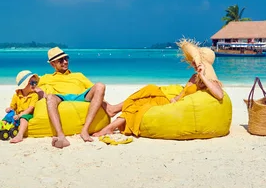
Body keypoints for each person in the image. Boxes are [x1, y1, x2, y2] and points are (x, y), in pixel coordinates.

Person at [95, 44, 224, 137]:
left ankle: (110, 123)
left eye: (197, 62)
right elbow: (183, 93)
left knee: (141, 105)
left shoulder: (210, 80)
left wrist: (202, 76)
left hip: (175, 107)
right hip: (171, 101)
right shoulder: (193, 76)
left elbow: (219, 95)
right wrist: (175, 98)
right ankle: (112, 117)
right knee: (149, 89)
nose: (194, 64)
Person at [38, 47, 107, 148]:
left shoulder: (78, 75)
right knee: (50, 98)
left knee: (100, 86)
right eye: (61, 60)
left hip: (80, 97)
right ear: (53, 64)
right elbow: (29, 89)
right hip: (61, 97)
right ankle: (61, 136)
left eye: (66, 58)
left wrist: (106, 105)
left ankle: (85, 130)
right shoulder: (45, 78)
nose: (65, 62)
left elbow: (95, 92)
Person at [6, 70, 44, 143]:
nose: (34, 85)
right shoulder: (16, 95)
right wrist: (10, 109)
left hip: (28, 115)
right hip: (17, 115)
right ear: (24, 85)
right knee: (7, 117)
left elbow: (30, 109)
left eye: (35, 83)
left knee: (23, 118)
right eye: (32, 83)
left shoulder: (34, 95)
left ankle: (20, 135)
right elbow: (13, 106)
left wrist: (20, 115)